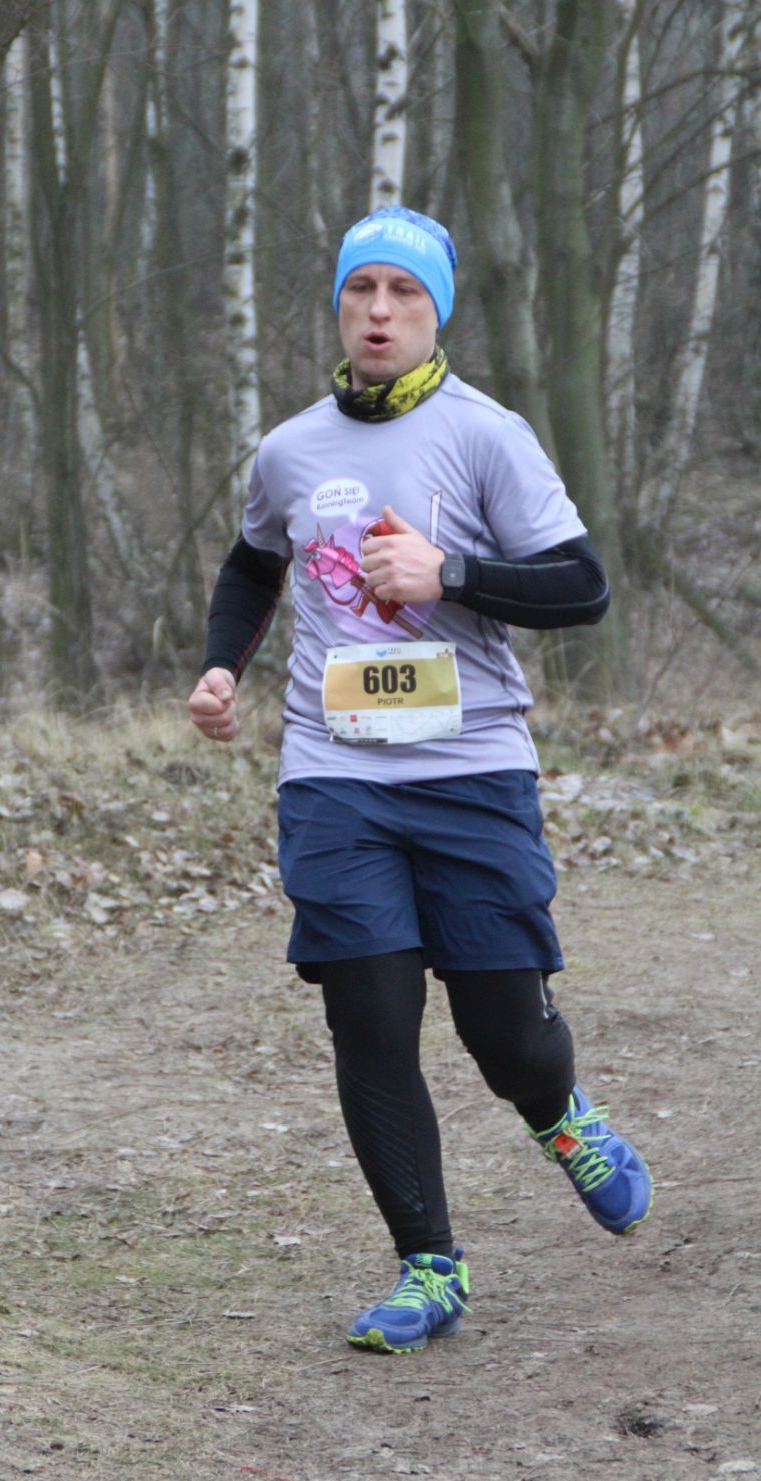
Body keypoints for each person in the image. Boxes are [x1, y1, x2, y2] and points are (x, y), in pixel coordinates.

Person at [187, 205, 653, 1355]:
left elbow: (582, 587)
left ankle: (559, 1114)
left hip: (470, 770)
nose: (379, 311)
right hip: (333, 775)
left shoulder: (487, 435)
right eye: (361, 290)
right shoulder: (290, 450)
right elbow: (251, 565)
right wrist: (219, 667)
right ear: (338, 307)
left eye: (403, 292)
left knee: (505, 1036)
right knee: (371, 1019)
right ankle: (427, 1265)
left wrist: (450, 573)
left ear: (434, 310)